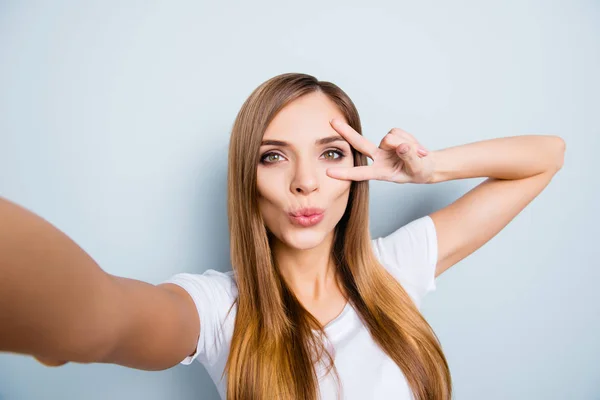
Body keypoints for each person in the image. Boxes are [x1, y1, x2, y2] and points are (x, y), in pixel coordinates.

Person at [0, 73, 565, 400]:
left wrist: (429, 168)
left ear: (358, 171)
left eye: (332, 155)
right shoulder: (220, 311)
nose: (305, 182)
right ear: (247, 176)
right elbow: (104, 316)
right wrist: (73, 323)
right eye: (274, 157)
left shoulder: (396, 268)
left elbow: (547, 156)